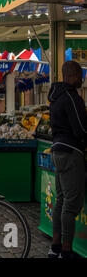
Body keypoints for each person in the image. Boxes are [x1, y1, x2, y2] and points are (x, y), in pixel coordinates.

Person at [47, 60, 87, 258]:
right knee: (71, 205)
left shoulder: (55, 96)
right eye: (80, 75)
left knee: (61, 200)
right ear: (72, 76)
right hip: (71, 153)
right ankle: (66, 250)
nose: (82, 79)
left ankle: (55, 246)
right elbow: (81, 128)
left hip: (57, 151)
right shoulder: (71, 97)